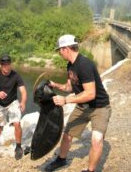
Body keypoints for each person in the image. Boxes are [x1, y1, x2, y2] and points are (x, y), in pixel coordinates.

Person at [44, 34, 111, 172]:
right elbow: (70, 87)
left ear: (65, 49)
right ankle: (61, 160)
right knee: (67, 134)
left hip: (99, 107)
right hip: (82, 107)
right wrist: (55, 85)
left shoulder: (84, 64)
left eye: (59, 50)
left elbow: (90, 93)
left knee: (97, 140)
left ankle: (90, 170)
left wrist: (66, 100)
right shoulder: (70, 65)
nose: (59, 53)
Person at [0, 54, 27, 160]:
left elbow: (23, 91)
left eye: (8, 64)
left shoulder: (16, 76)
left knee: (17, 122)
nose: (6, 67)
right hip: (0, 103)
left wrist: (23, 102)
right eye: (4, 65)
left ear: (10, 64)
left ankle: (18, 147)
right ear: (0, 65)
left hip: (13, 102)